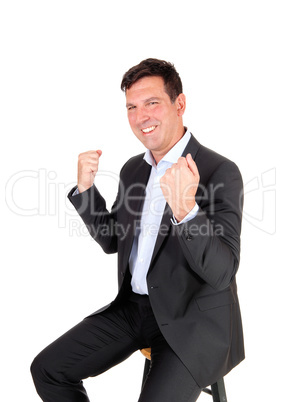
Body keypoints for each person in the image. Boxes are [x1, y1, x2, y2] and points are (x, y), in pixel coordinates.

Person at [31, 58, 245, 402]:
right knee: (48, 369)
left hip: (191, 321)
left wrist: (186, 211)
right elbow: (112, 239)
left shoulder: (219, 171)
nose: (140, 116)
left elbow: (222, 272)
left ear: (180, 104)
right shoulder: (134, 169)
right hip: (134, 310)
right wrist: (86, 191)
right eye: (131, 106)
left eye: (152, 103)